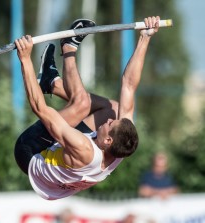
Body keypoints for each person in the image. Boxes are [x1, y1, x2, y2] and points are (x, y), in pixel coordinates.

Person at [14, 16, 160, 200]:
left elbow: (39, 108)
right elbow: (129, 85)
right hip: (64, 167)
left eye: (109, 125)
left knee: (82, 103)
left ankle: (64, 57)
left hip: (30, 152)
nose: (107, 121)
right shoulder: (121, 145)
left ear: (107, 140)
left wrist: (25, 59)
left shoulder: (83, 148)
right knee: (113, 107)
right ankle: (53, 80)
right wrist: (145, 38)